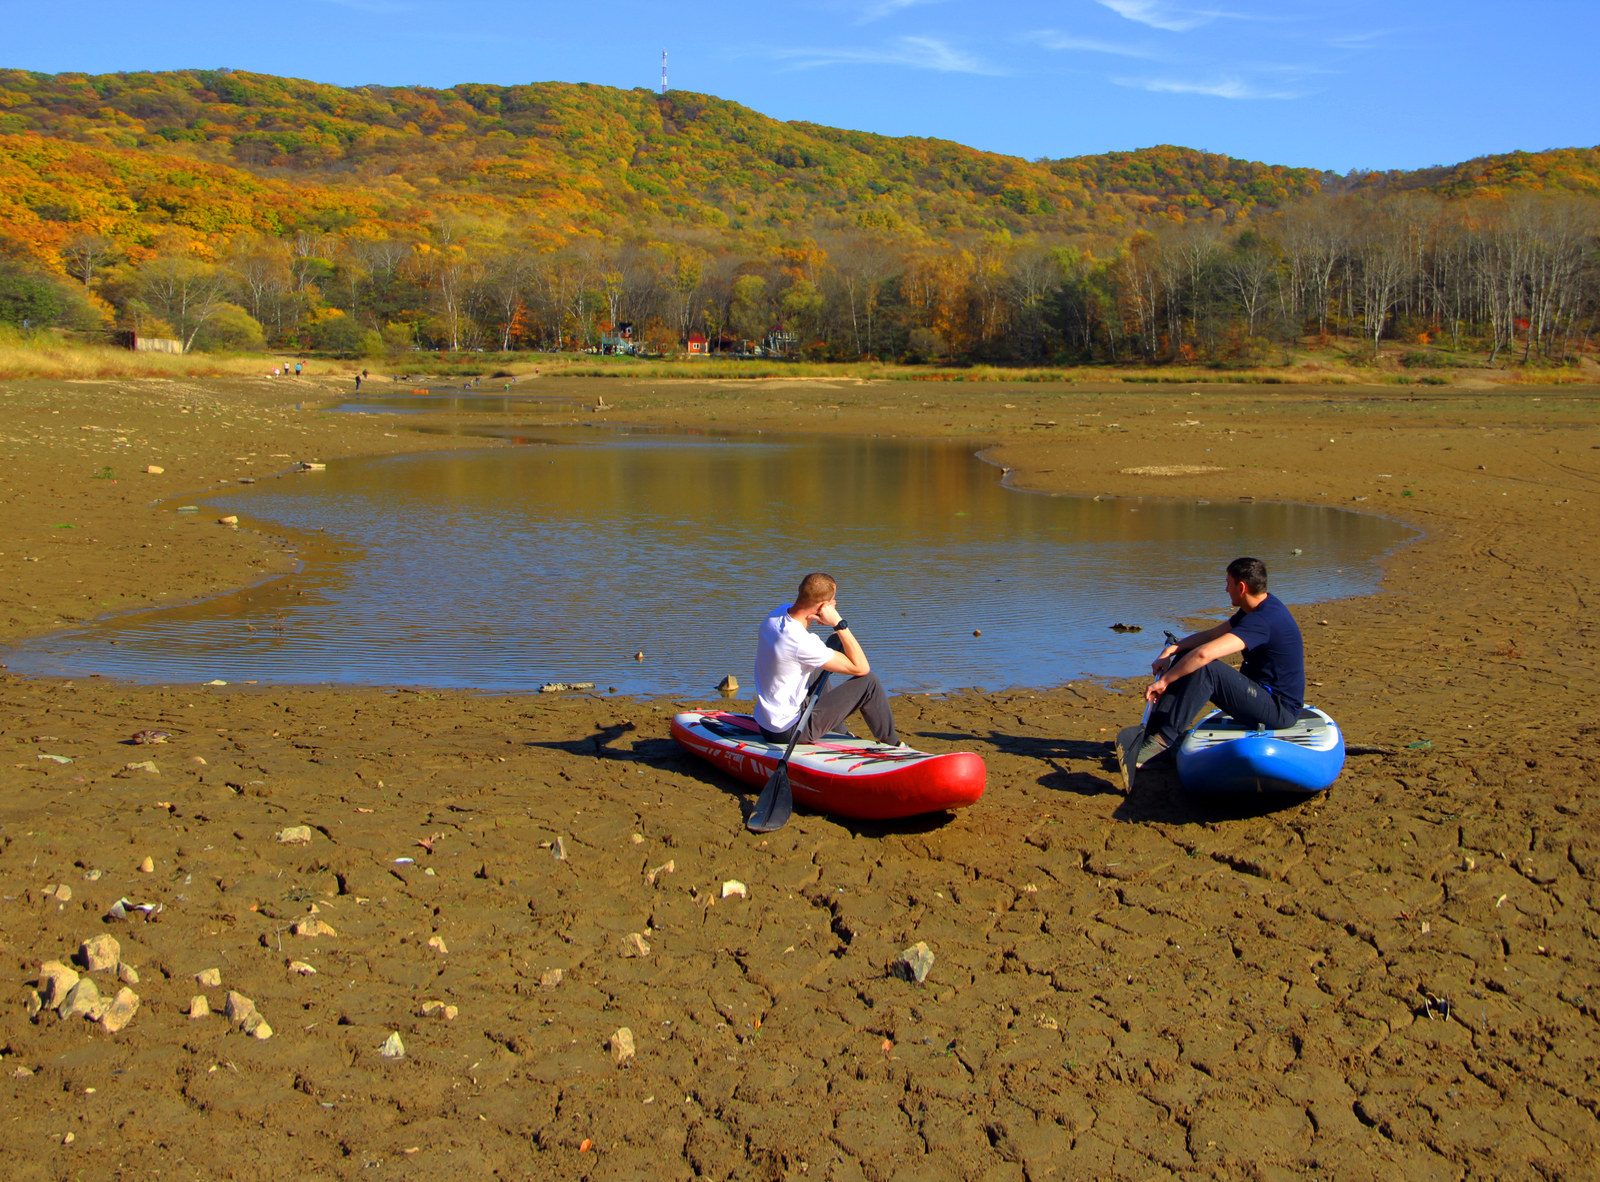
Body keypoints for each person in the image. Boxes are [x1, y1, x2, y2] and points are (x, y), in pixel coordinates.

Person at [1135, 556, 1305, 769]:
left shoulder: (1263, 620)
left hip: (1280, 711)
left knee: (1207, 669)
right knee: (1186, 656)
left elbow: (1204, 655)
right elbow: (1213, 635)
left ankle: (1163, 743)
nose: (1226, 589)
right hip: (1262, 696)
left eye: (1228, 583)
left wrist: (1164, 681)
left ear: (1241, 587)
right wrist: (1173, 649)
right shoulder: (1256, 608)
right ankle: (1153, 735)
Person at [754, 572, 901, 748]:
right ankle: (894, 745)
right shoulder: (803, 643)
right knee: (869, 683)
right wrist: (838, 623)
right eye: (831, 602)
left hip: (767, 722)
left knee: (821, 659)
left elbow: (801, 627)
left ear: (800, 590)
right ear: (823, 606)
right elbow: (861, 668)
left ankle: (840, 733)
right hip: (790, 729)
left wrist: (816, 613)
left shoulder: (776, 615)